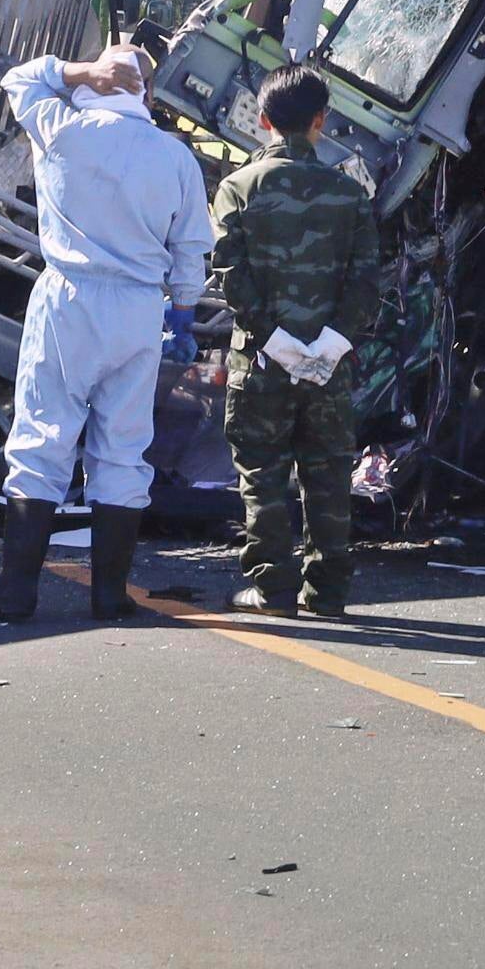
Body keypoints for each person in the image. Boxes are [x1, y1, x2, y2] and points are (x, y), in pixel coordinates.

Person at [0, 38, 211, 625]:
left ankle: (15, 593)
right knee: (123, 448)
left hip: (68, 299)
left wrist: (78, 71)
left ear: (97, 81)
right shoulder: (174, 156)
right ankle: (110, 596)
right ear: (147, 95)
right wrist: (182, 315)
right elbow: (190, 249)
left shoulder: (60, 128)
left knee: (42, 437)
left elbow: (19, 79)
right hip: (138, 308)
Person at [211, 67, 383, 616]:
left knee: (262, 475)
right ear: (320, 120)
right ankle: (327, 593)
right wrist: (331, 344)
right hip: (330, 364)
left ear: (262, 120)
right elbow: (366, 281)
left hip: (261, 363)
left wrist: (274, 341)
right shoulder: (349, 193)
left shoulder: (237, 188)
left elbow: (230, 277)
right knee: (328, 475)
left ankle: (273, 589)